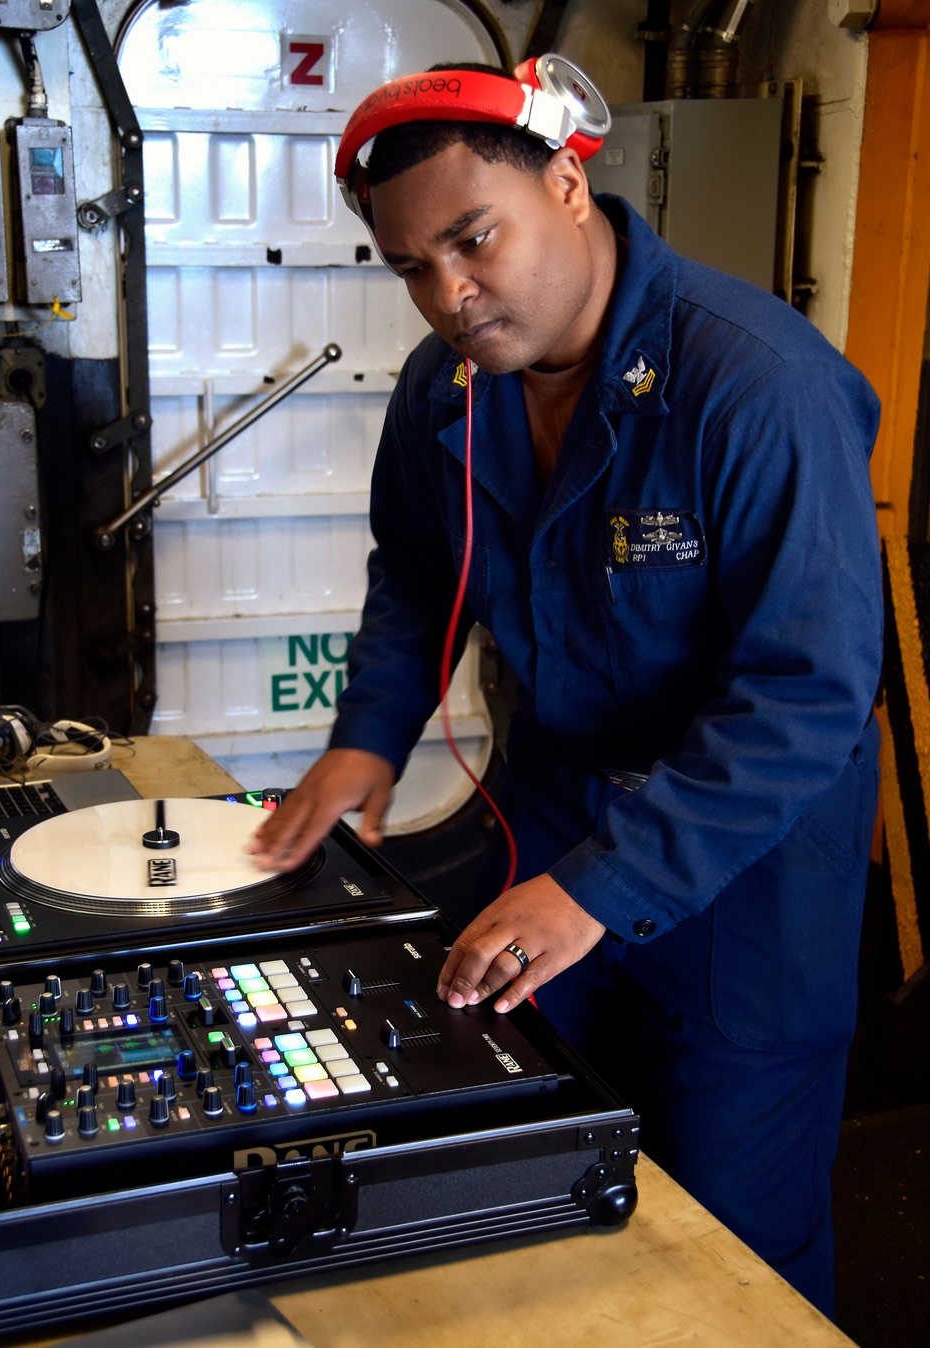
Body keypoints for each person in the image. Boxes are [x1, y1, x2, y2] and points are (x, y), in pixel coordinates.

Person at [249, 58, 883, 1318]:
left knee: (729, 1241)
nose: (450, 295)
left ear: (571, 182)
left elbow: (805, 692)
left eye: (473, 239)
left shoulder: (754, 384)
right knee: (538, 1167)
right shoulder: (450, 391)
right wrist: (367, 734)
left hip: (744, 861)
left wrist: (605, 885)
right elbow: (419, 578)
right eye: (412, 267)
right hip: (550, 818)